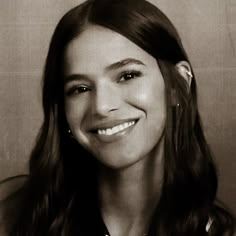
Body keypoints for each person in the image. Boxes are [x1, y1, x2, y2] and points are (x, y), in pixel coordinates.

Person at [0, 0, 235, 235]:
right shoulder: (11, 213)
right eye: (80, 88)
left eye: (127, 75)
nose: (102, 106)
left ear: (179, 85)